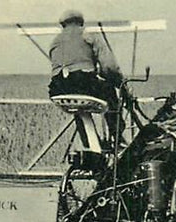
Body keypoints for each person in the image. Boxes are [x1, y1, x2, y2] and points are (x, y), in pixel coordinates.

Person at [48, 9, 125, 144]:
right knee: (108, 91)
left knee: (77, 107)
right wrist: (120, 83)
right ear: (81, 22)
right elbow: (108, 66)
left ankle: (89, 143)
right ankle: (117, 135)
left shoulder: (55, 41)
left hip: (58, 88)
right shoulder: (88, 35)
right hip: (82, 83)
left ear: (63, 25)